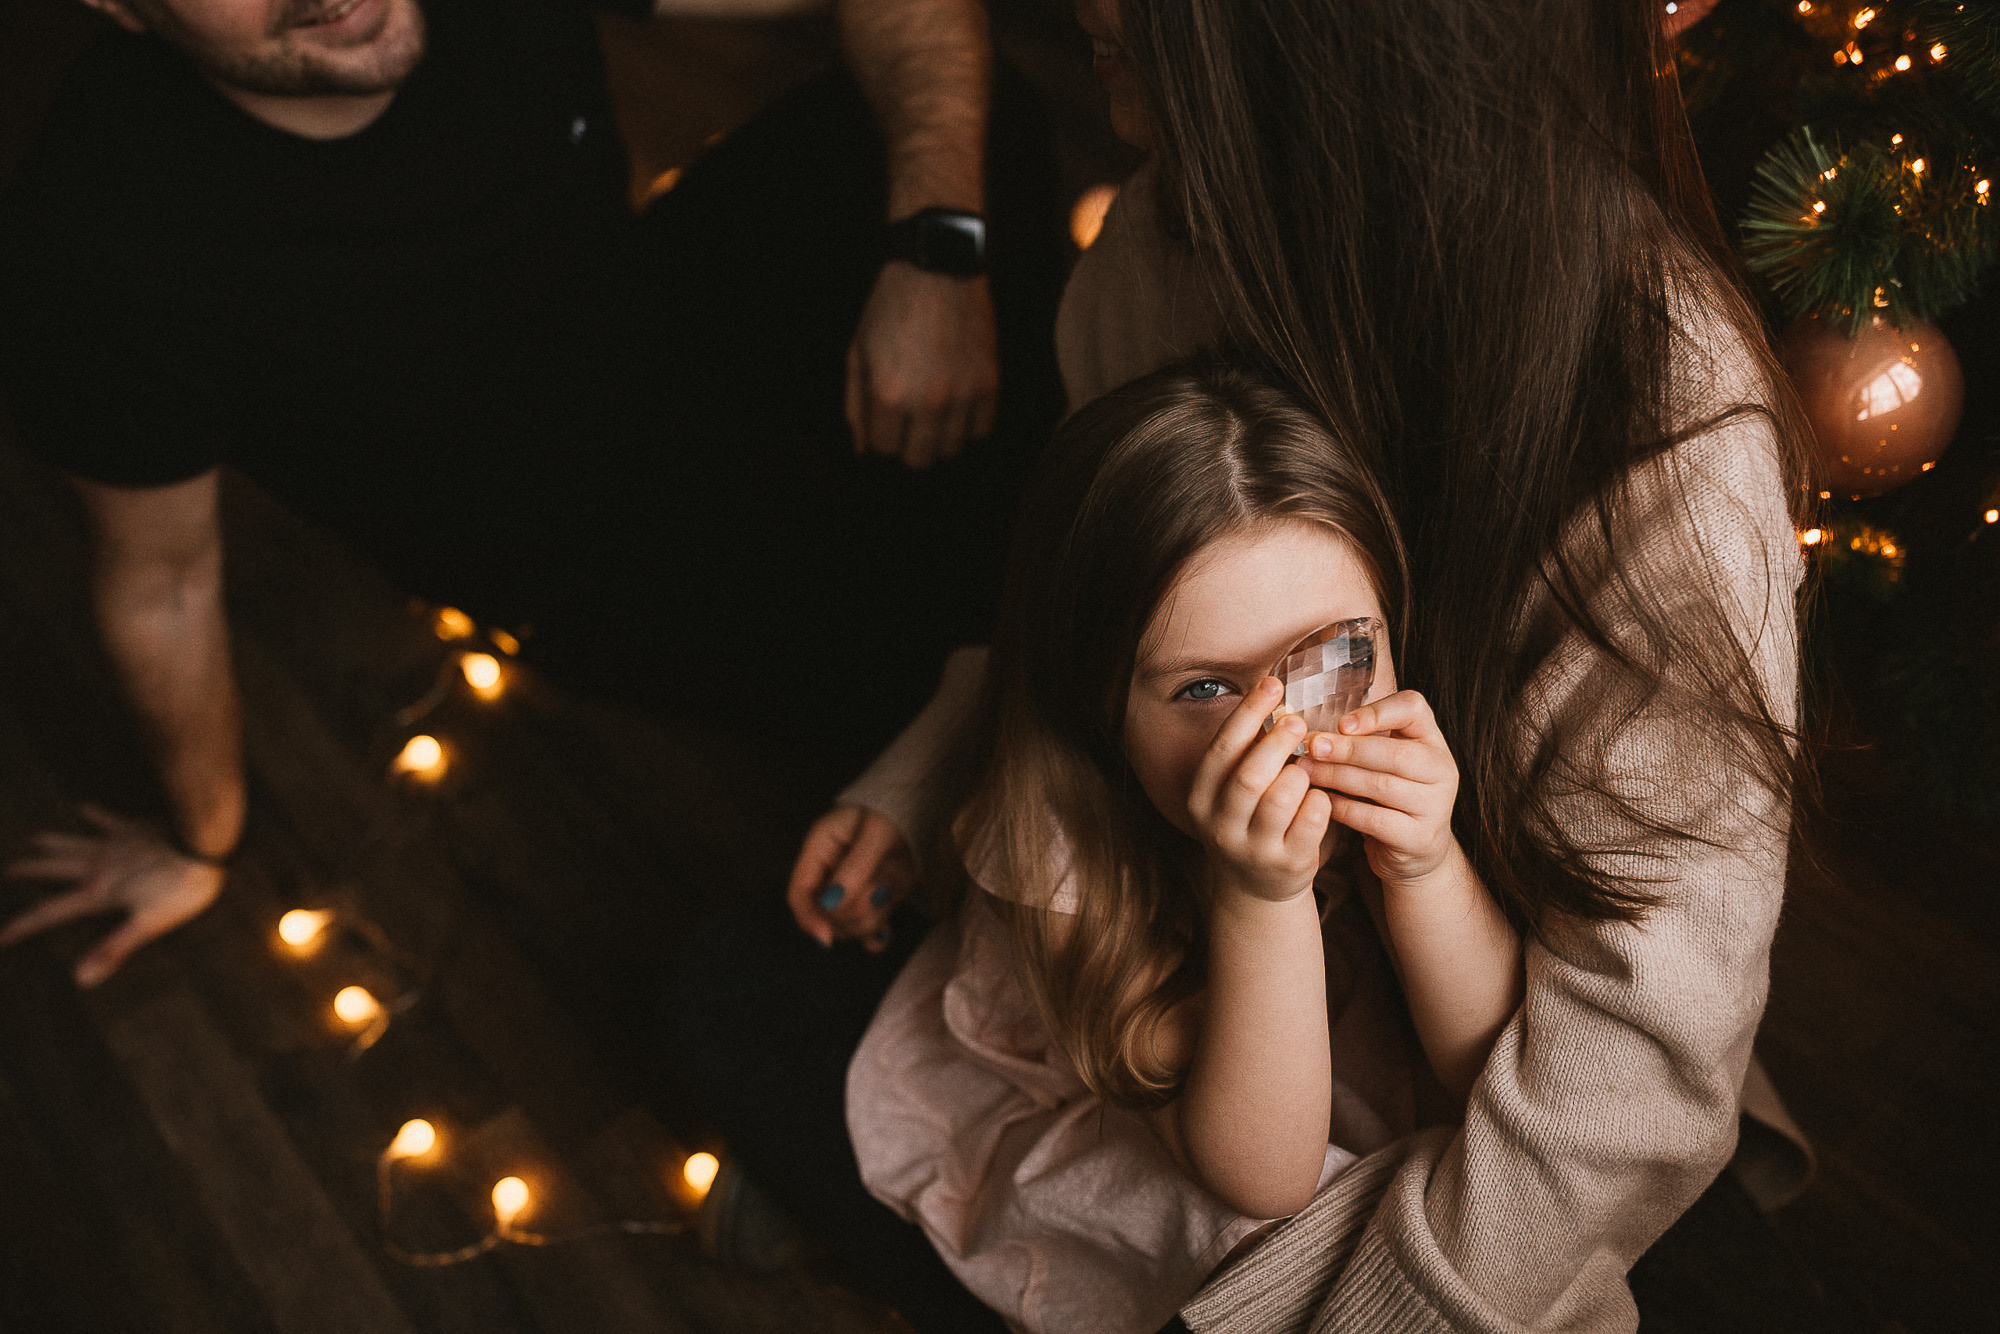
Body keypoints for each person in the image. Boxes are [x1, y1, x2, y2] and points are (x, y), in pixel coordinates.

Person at [682, 0, 1818, 1330]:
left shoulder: (1665, 428)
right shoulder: (1167, 244)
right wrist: (934, 768)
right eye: (1219, 687)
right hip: (1190, 948)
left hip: (1512, 1074)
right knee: (731, 986)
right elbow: (1093, 602)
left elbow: (1619, 1066)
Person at [0, 0, 1063, 985]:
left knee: (977, 130)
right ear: (120, 6)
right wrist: (201, 842)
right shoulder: (98, 251)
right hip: (586, 552)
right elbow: (163, 585)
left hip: (666, 306)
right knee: (1008, 666)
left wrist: (938, 252)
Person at [843, 361, 1527, 1334]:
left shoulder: (1393, 744)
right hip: (1155, 1101)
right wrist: (1260, 897)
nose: (1282, 728)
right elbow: (1264, 1176)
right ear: (1099, 708)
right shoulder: (1060, 849)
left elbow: (1494, 1074)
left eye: (1335, 655)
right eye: (1206, 688)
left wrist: (1425, 864)